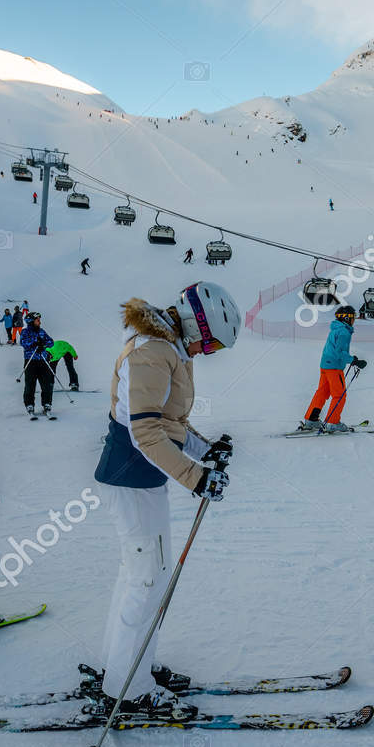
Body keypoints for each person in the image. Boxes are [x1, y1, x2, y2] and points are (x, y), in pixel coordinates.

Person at [90, 282, 239, 716]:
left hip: (139, 479)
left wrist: (203, 451)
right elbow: (146, 432)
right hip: (131, 477)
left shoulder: (166, 349)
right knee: (147, 580)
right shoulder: (152, 352)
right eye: (208, 342)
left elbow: (169, 421)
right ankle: (127, 690)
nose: (207, 352)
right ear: (195, 324)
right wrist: (196, 478)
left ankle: (123, 668)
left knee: (140, 576)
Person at [300, 305, 365, 432]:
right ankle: (333, 422)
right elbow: (339, 352)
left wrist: (351, 359)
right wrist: (354, 361)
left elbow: (335, 350)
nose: (354, 320)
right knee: (339, 395)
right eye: (352, 318)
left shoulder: (336, 329)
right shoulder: (344, 332)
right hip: (334, 367)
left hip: (325, 365)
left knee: (322, 393)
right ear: (346, 318)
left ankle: (311, 420)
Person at [18, 312, 56, 417]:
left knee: (46, 384)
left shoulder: (42, 331)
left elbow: (51, 342)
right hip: (31, 361)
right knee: (30, 384)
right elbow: (23, 343)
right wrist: (35, 342)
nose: (39, 321)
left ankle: (47, 404)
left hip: (43, 360)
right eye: (37, 320)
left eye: (39, 319)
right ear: (31, 321)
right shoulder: (25, 332)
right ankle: (29, 404)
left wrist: (43, 344)